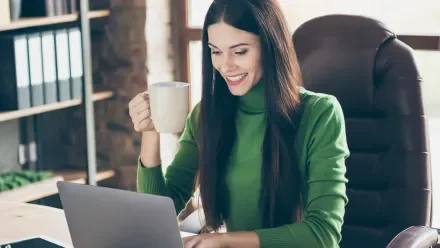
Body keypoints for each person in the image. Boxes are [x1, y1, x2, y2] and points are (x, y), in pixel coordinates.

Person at [129, 0, 349, 247]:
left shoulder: (320, 113)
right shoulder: (207, 115)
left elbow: (323, 235)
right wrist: (150, 133)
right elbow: (160, 212)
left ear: (270, 47)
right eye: (216, 51)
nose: (225, 65)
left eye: (240, 51)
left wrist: (225, 241)